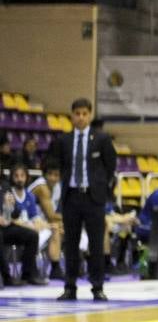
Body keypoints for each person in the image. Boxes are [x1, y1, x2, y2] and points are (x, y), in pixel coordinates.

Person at [54, 98, 116, 301]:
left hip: (93, 197)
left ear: (90, 115)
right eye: (77, 114)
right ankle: (70, 286)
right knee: (70, 244)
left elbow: (110, 166)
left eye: (84, 113)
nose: (80, 117)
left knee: (96, 244)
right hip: (71, 196)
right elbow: (61, 165)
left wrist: (99, 187)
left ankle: (97, 286)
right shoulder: (64, 140)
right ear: (72, 116)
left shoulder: (102, 139)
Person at [0, 167, 48, 286]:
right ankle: (6, 276)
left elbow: (13, 214)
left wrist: (8, 207)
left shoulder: (4, 186)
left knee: (31, 235)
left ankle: (27, 274)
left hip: (5, 226)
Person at [27, 159, 64, 279]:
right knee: (57, 227)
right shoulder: (42, 187)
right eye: (50, 174)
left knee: (64, 227)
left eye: (56, 175)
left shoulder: (57, 186)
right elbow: (51, 215)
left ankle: (75, 264)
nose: (53, 178)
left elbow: (55, 215)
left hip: (42, 222)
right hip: (29, 221)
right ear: (45, 174)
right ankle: (55, 268)